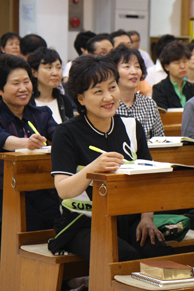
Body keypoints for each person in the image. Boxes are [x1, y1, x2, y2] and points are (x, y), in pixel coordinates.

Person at [48, 55, 173, 260]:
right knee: (122, 256)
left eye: (112, 87)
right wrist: (92, 169)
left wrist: (147, 218)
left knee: (157, 251)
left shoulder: (132, 126)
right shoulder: (66, 132)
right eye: (98, 91)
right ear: (81, 98)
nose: (108, 97)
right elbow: (63, 189)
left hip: (129, 217)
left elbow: (149, 181)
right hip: (82, 221)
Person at [0, 54, 59, 231]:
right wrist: (25, 143)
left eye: (26, 81)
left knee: (57, 221)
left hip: (40, 187)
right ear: (1, 89)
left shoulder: (41, 114)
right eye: (15, 83)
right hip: (5, 191)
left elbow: (59, 136)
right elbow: (2, 138)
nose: (23, 88)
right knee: (32, 223)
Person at [109, 45, 164, 140]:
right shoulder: (108, 103)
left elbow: (160, 140)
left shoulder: (149, 104)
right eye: (126, 67)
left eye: (137, 67)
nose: (134, 71)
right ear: (113, 71)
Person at [28, 48, 74, 124]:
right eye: (49, 68)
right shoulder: (27, 102)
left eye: (59, 68)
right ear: (34, 72)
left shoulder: (64, 101)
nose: (55, 73)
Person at [152, 41, 194, 109]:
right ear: (167, 66)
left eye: (185, 61)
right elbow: (162, 116)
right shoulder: (159, 89)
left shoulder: (193, 88)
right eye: (177, 63)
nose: (182, 66)